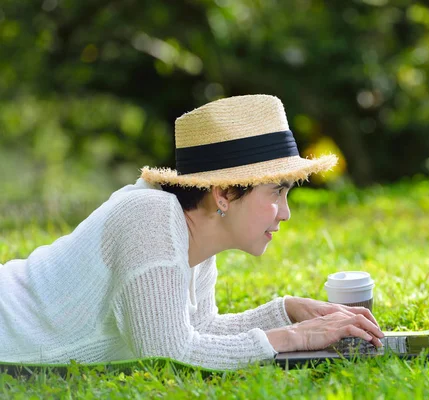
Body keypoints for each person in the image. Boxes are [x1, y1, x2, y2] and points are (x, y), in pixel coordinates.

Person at [0, 94, 383, 370]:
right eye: (277, 192)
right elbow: (167, 351)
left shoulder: (193, 231)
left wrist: (287, 312)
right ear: (224, 193)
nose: (285, 213)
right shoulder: (151, 217)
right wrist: (296, 337)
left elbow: (199, 330)